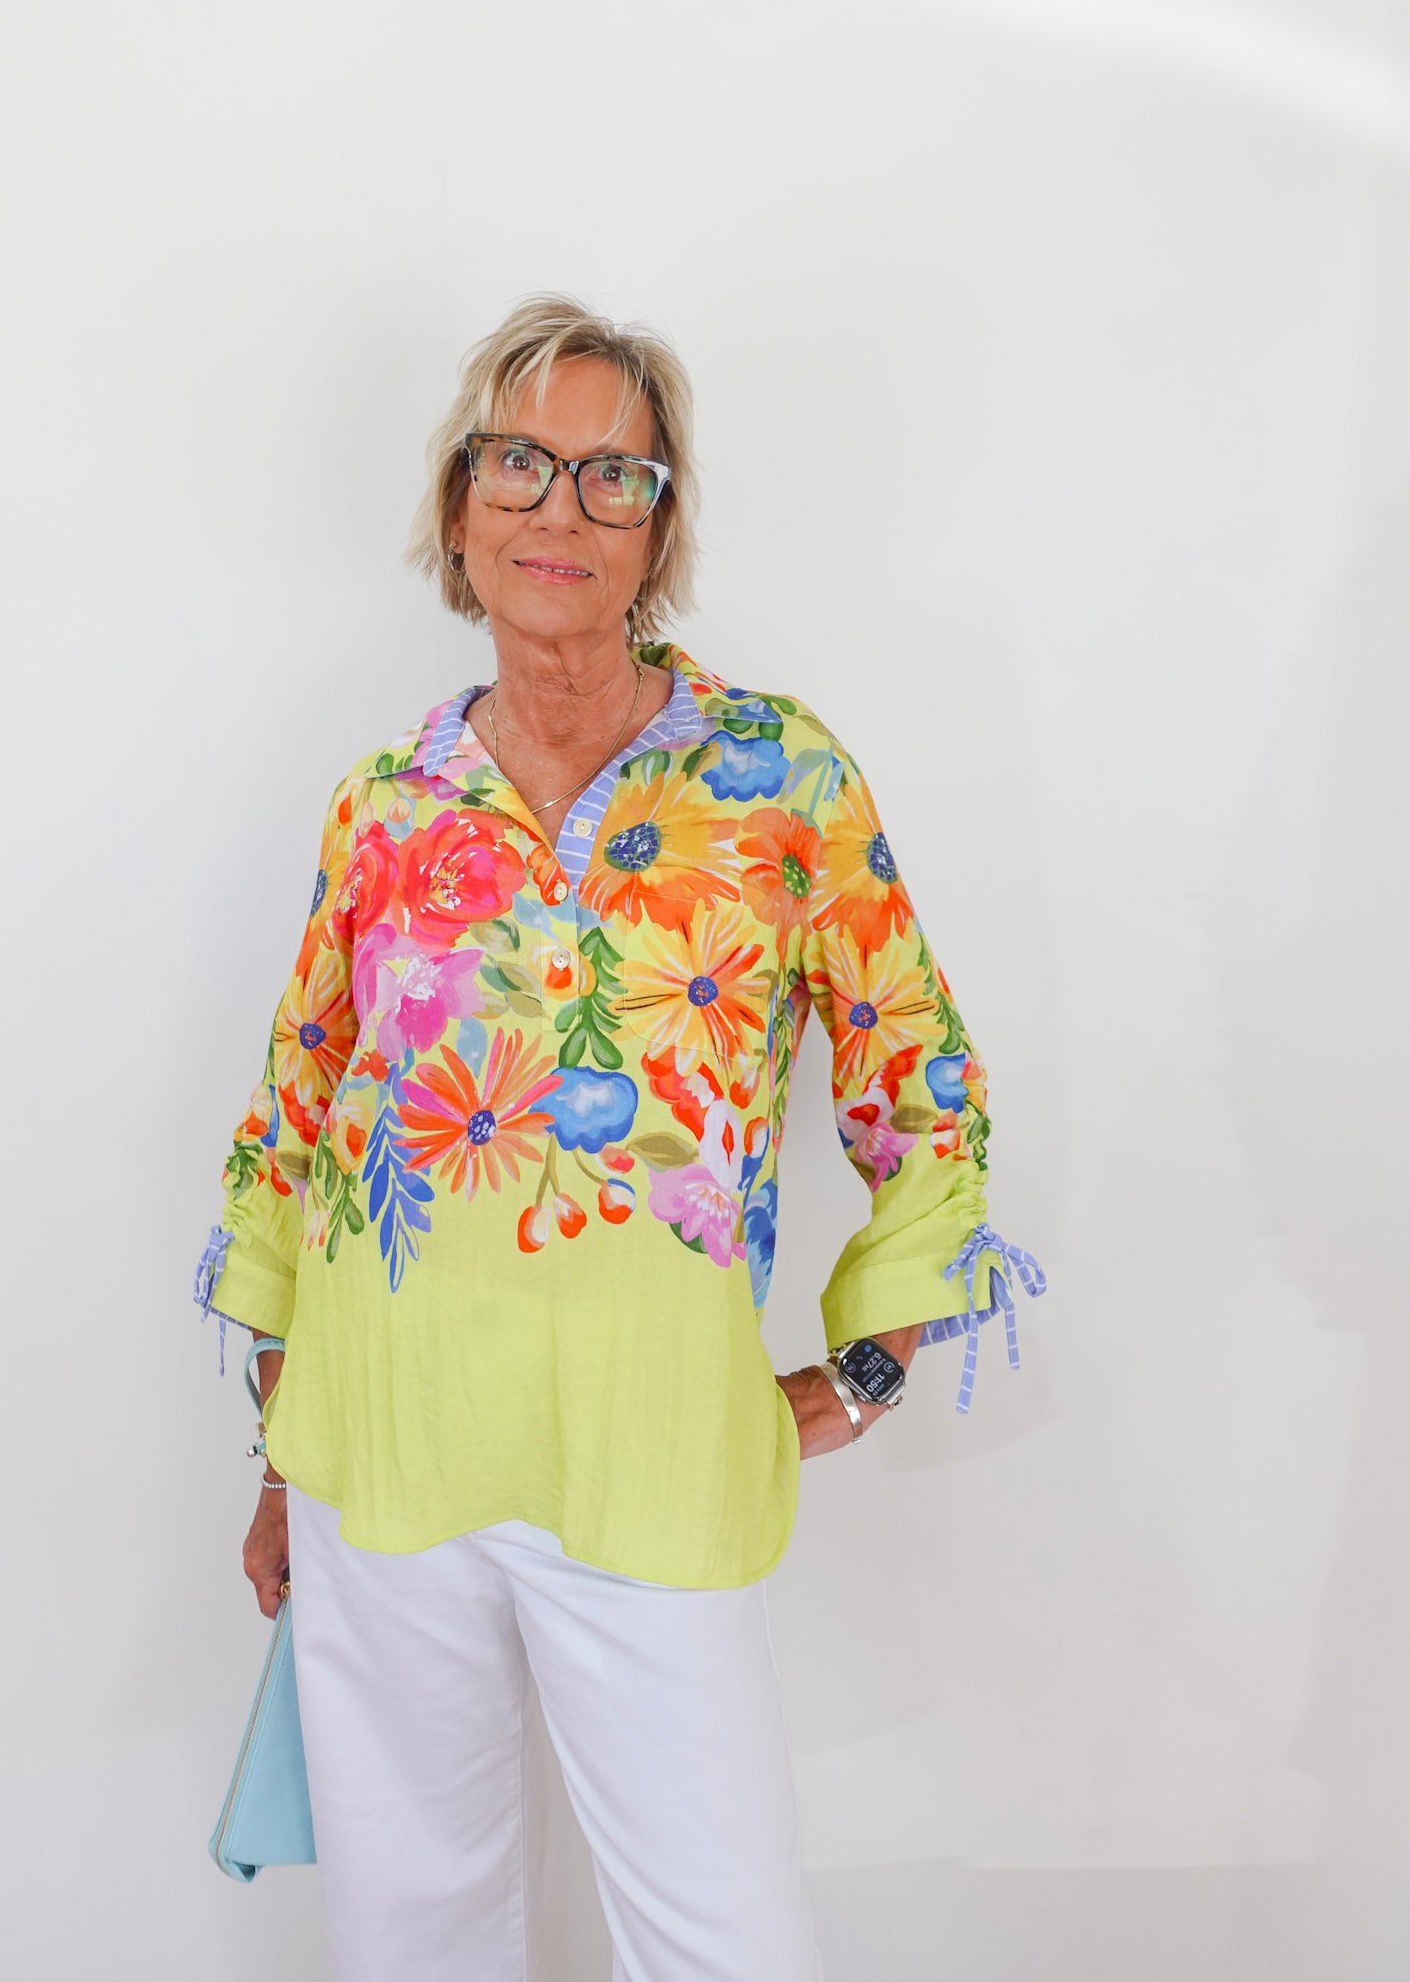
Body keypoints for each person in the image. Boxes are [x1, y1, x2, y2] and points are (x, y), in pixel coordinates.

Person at [192, 292, 1043, 1982]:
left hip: (654, 1454)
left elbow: (920, 1077)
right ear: (459, 507)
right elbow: (295, 1112)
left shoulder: (778, 776)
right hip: (387, 1447)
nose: (558, 508)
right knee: (412, 1934)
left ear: (661, 527)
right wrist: (288, 1447)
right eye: (517, 462)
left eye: (612, 474)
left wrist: (868, 1367)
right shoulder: (387, 800)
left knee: (727, 1943)